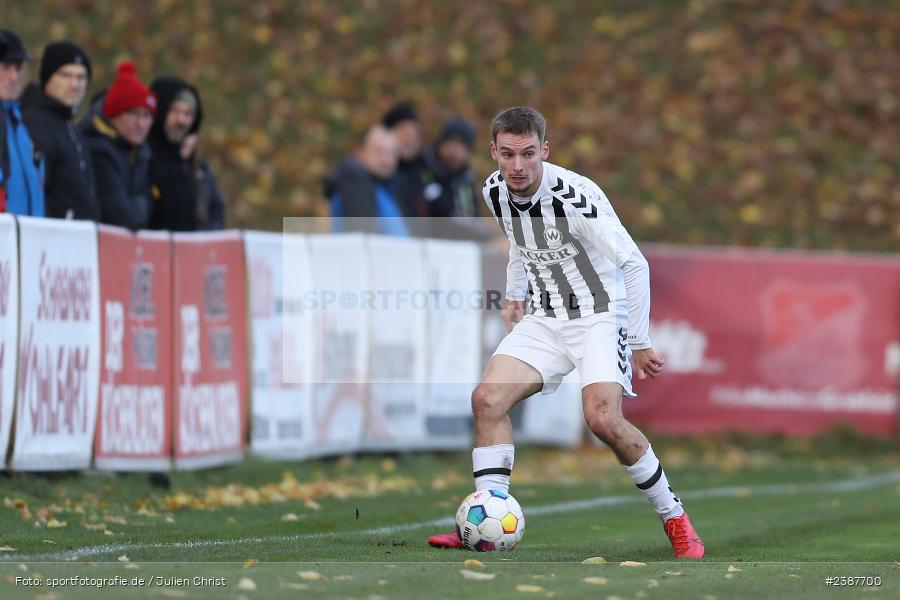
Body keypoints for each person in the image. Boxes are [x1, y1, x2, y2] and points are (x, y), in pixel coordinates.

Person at [427, 107, 704, 559]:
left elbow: (635, 263)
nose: (518, 166)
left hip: (598, 316)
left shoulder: (577, 197)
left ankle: (675, 519)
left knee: (602, 421)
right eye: (509, 154)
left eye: (529, 154)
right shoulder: (494, 190)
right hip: (545, 317)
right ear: (493, 152)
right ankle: (484, 518)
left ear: (545, 151)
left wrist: (639, 339)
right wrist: (515, 293)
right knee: (487, 400)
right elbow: (519, 241)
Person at [21, 40, 98, 220]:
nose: (74, 84)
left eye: (81, 77)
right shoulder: (35, 122)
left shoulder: (69, 124)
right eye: (65, 75)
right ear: (48, 77)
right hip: (52, 238)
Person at [82, 61, 156, 230]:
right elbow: (122, 215)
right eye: (133, 114)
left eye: (146, 116)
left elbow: (152, 205)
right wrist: (140, 205)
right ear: (114, 115)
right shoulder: (97, 149)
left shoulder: (141, 152)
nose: (141, 123)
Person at [323, 124, 409, 236]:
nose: (386, 159)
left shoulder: (388, 188)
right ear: (360, 152)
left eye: (391, 153)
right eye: (378, 151)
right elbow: (362, 238)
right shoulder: (354, 183)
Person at [147, 76, 203, 231]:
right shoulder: (142, 155)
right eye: (174, 110)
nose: (182, 121)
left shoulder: (192, 164)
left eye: (188, 113)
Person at [0, 29, 44, 216]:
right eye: (5, 66)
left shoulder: (21, 120)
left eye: (18, 68)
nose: (13, 76)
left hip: (29, 237)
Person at [382, 102, 427, 221]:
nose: (409, 139)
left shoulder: (424, 174)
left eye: (414, 133)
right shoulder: (377, 175)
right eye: (404, 132)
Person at [179, 132, 225, 230]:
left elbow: (217, 208)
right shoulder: (162, 166)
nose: (185, 141)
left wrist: (214, 233)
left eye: (189, 135)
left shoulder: (203, 168)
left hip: (202, 236)